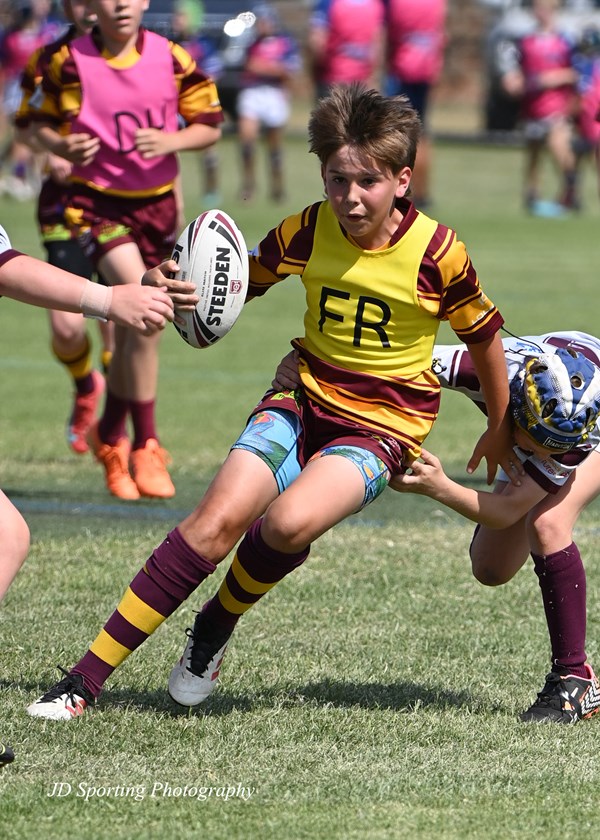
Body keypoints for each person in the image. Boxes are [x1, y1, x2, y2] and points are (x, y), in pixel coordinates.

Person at [25, 83, 516, 722]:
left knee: (286, 525)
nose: (349, 197)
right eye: (337, 179)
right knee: (212, 525)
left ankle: (214, 626)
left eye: (366, 182)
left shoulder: (439, 254)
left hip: (383, 427)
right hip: (300, 397)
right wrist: (165, 281)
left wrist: (500, 430)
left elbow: (485, 342)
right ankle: (82, 683)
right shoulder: (310, 227)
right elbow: (232, 285)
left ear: (402, 179)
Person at [28, 0, 223, 500]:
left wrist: (172, 141)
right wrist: (62, 146)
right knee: (149, 308)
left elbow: (210, 124)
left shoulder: (173, 58)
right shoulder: (65, 61)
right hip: (97, 208)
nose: (118, 4)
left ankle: (112, 435)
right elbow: (36, 123)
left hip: (156, 209)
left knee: (145, 327)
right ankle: (146, 443)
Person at [389, 330, 600, 724]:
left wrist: (440, 488)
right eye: (535, 442)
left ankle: (575, 678)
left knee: (547, 522)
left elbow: (505, 512)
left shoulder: (575, 431)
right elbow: (392, 362)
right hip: (550, 379)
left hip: (592, 419)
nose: (542, 454)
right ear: (517, 407)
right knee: (491, 567)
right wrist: (300, 374)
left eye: (552, 449)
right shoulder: (481, 369)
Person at [0, 221, 197, 602]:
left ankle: (130, 437)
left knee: (8, 537)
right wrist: (109, 300)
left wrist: (127, 295)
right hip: (74, 216)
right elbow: (5, 268)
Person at [14, 0, 114, 456]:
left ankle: (120, 431)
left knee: (122, 322)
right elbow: (29, 126)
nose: (91, 8)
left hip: (122, 204)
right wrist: (52, 146)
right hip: (64, 206)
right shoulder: (46, 61)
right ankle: (84, 385)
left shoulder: (144, 57)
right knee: (68, 325)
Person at [499, 0, 578, 217]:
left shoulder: (566, 40)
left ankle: (571, 193)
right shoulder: (527, 41)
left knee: (559, 148)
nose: (540, 12)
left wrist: (550, 79)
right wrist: (512, 80)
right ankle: (532, 195)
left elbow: (577, 72)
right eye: (537, 8)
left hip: (557, 108)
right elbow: (515, 70)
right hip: (532, 107)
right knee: (533, 153)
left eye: (545, 8)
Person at [382, 0, 447, 209]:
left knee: (395, 134)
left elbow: (386, 33)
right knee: (421, 133)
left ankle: (398, 191)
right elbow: (442, 33)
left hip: (402, 71)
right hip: (425, 69)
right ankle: (423, 194)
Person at [236, 3, 301, 203]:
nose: (261, 26)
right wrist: (273, 68)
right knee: (247, 142)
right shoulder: (250, 43)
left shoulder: (285, 42)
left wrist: (264, 68)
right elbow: (248, 66)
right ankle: (248, 185)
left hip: (274, 94)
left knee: (274, 148)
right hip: (253, 93)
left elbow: (289, 71)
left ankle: (277, 187)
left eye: (264, 21)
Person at [307, 0, 385, 100]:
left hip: (333, 82)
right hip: (364, 84)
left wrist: (314, 72)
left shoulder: (327, 3)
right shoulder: (375, 4)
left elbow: (317, 43)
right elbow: (378, 45)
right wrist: (375, 78)